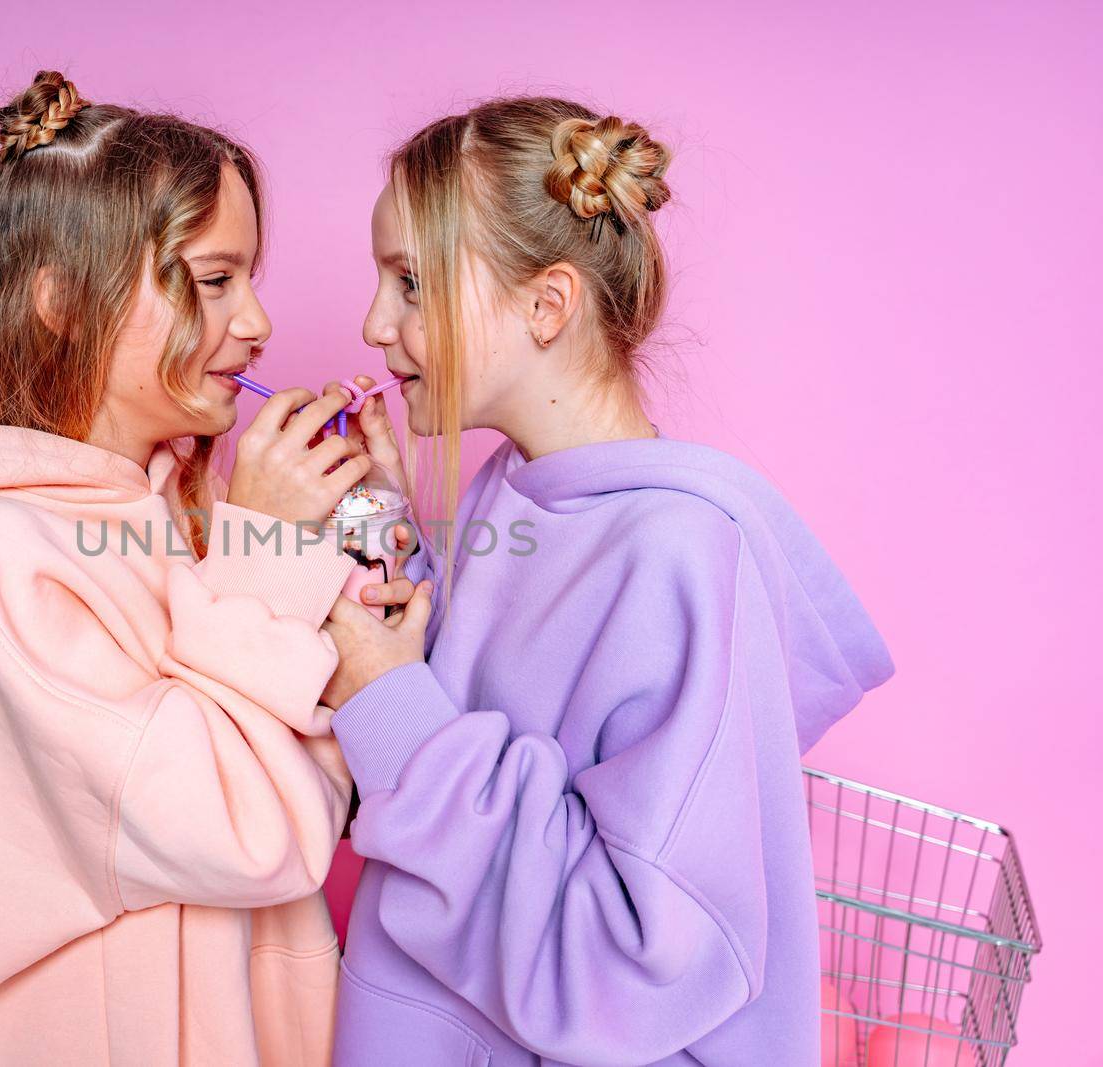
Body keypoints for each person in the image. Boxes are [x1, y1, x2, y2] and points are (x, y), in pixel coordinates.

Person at [320, 96, 894, 1066]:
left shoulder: (677, 553)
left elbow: (631, 954)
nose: (374, 322)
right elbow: (463, 689)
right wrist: (380, 518)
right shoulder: (515, 486)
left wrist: (385, 701)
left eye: (412, 283)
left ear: (546, 305)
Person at [0, 69, 370, 1066]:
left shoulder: (180, 507)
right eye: (215, 280)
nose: (258, 320)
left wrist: (354, 527)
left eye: (249, 277)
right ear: (63, 303)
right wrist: (266, 549)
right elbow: (246, 830)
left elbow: (332, 777)